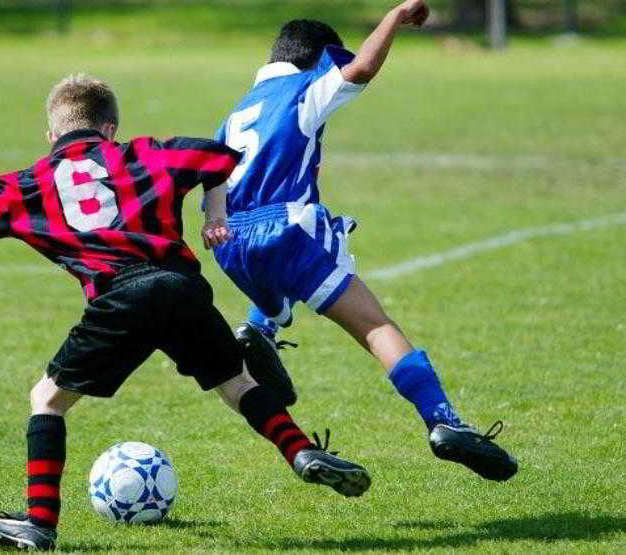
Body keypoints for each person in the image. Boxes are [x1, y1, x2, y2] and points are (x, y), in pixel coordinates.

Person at [0, 74, 370, 551]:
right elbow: (218, 156)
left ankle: (39, 523)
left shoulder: (30, 182)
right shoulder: (143, 153)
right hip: (181, 287)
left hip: (119, 296)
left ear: (51, 135)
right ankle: (301, 451)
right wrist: (215, 214)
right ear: (110, 128)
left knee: (47, 399)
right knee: (238, 383)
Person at [210, 0, 518, 482]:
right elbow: (363, 69)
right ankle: (443, 421)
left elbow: (209, 177)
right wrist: (396, 15)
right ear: (316, 59)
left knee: (283, 268)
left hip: (228, 241)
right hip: (283, 230)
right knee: (375, 325)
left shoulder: (235, 113)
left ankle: (260, 326)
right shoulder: (303, 90)